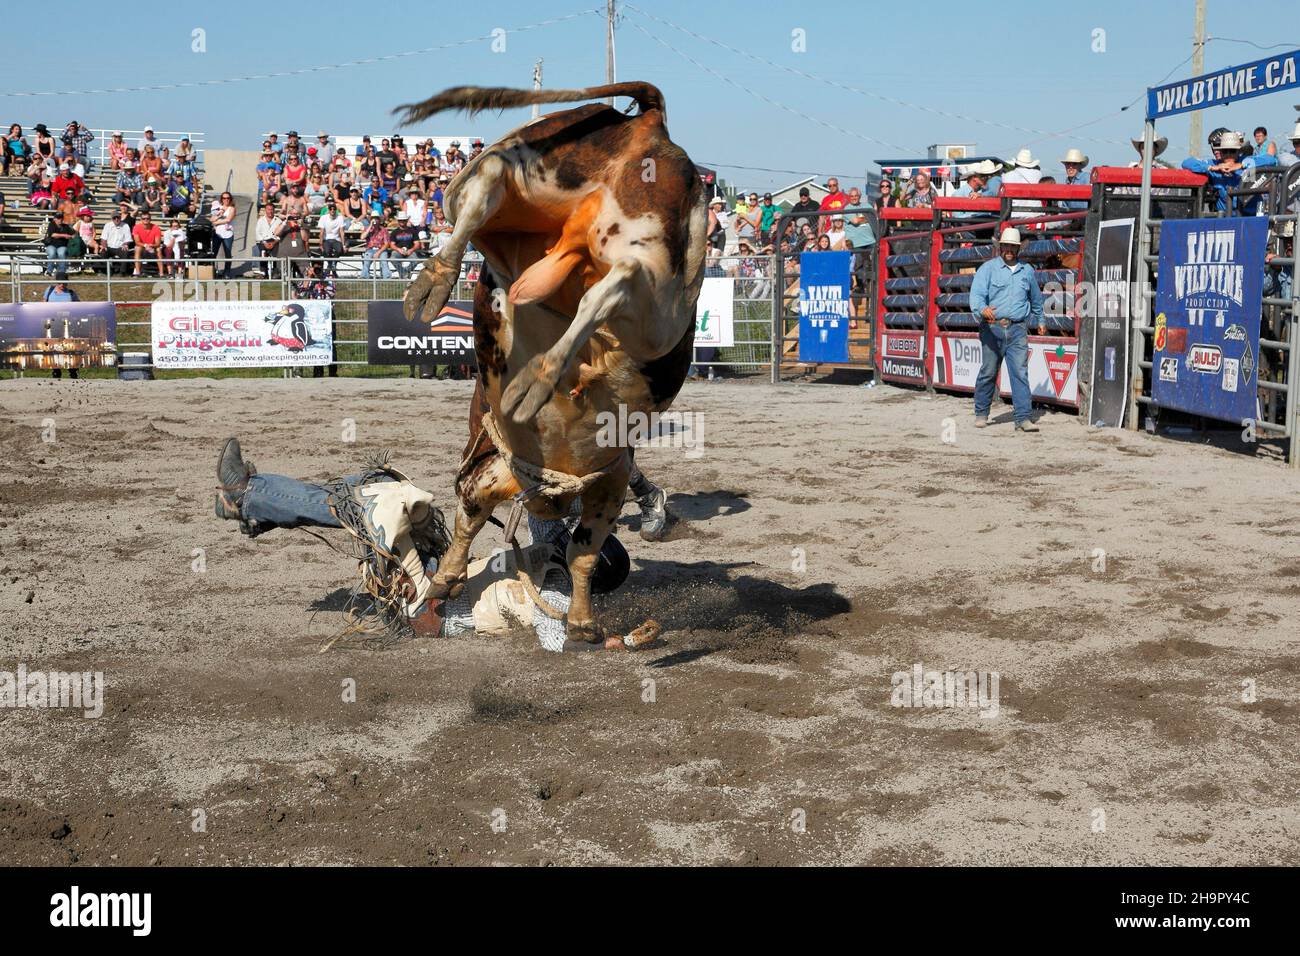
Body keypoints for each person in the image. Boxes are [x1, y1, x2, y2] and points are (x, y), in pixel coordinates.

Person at [211, 439, 663, 651]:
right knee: (389, 500)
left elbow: (557, 642)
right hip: (437, 579)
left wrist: (615, 643)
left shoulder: (557, 597)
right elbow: (559, 501)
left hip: (430, 609)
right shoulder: (550, 544)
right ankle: (254, 505)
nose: (572, 540)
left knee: (377, 502)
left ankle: (250, 498)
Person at [970, 227, 1041, 432]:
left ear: (1018, 249)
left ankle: (1023, 418)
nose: (1009, 249)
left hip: (1017, 327)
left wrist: (1041, 319)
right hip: (992, 327)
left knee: (1019, 373)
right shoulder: (988, 269)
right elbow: (976, 296)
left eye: (1012, 247)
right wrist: (982, 309)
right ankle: (981, 412)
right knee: (989, 371)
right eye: (1006, 246)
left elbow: (1035, 298)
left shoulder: (1027, 271)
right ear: (1000, 247)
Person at [1182, 130, 1278, 213]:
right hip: (1226, 218)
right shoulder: (1215, 164)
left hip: (1252, 216)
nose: (1228, 155)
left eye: (1232, 151)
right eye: (1225, 151)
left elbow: (1271, 160)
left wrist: (1242, 165)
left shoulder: (1247, 160)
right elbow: (1187, 162)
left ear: (1238, 151)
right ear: (1220, 152)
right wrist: (1212, 168)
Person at [1002, 149, 1042, 218]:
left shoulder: (1007, 176)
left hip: (1015, 215)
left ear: (1016, 163)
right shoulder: (1038, 174)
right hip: (1035, 215)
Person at [317, 200, 348, 277]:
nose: (332, 210)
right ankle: (331, 265)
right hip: (326, 239)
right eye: (331, 209)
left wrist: (343, 245)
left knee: (340, 249)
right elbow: (321, 232)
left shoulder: (340, 218)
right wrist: (320, 244)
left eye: (334, 209)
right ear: (328, 210)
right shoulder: (323, 218)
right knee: (326, 251)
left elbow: (342, 232)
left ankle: (331, 265)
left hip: (336, 239)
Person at [387, 211, 422, 278]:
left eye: (403, 220)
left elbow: (417, 244)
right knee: (392, 258)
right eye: (400, 220)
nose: (402, 222)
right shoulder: (394, 232)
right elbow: (392, 245)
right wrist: (398, 249)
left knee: (416, 260)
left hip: (410, 251)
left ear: (406, 221)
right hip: (398, 251)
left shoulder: (413, 231)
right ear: (398, 221)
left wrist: (411, 250)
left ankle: (404, 272)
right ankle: (404, 273)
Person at [255, 204, 286, 277]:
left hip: (274, 241)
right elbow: (257, 233)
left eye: (271, 209)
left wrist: (274, 242)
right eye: (268, 209)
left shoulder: (278, 221)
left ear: (274, 210)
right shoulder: (260, 220)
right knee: (262, 253)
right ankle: (263, 271)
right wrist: (265, 243)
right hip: (263, 241)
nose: (270, 211)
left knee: (277, 254)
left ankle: (276, 272)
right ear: (265, 210)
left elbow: (280, 234)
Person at [100, 209, 134, 275]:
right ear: (112, 219)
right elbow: (103, 238)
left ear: (120, 217)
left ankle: (122, 272)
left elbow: (128, 239)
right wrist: (104, 246)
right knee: (103, 252)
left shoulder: (125, 226)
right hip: (109, 247)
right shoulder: (107, 225)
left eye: (118, 217)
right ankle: (108, 272)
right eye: (114, 218)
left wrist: (125, 244)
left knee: (125, 252)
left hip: (120, 247)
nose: (116, 219)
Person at [131, 210, 164, 277]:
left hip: (152, 247)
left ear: (150, 219)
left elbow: (157, 243)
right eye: (143, 218)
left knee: (158, 249)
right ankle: (138, 272)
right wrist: (146, 245)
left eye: (147, 218)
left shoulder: (156, 228)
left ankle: (161, 273)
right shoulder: (136, 227)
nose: (145, 220)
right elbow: (137, 242)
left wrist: (151, 246)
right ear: (141, 219)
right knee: (137, 248)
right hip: (142, 247)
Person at [213, 192, 237, 278]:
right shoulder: (217, 208)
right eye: (224, 198)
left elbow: (228, 219)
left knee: (228, 253)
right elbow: (212, 219)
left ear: (230, 199)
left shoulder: (232, 208)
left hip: (228, 234)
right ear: (221, 199)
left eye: (228, 198)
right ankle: (213, 271)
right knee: (213, 253)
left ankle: (227, 272)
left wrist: (217, 222)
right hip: (217, 233)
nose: (226, 200)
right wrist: (219, 214)